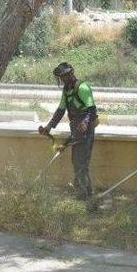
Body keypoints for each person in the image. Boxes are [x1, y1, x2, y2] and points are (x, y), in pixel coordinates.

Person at [39, 62, 97, 200]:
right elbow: (61, 110)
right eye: (61, 77)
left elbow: (92, 110)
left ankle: (87, 197)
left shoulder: (82, 87)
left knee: (81, 164)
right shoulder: (66, 90)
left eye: (64, 76)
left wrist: (85, 121)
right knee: (76, 162)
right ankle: (81, 194)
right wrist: (49, 126)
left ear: (71, 74)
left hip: (86, 129)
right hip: (75, 128)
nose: (63, 79)